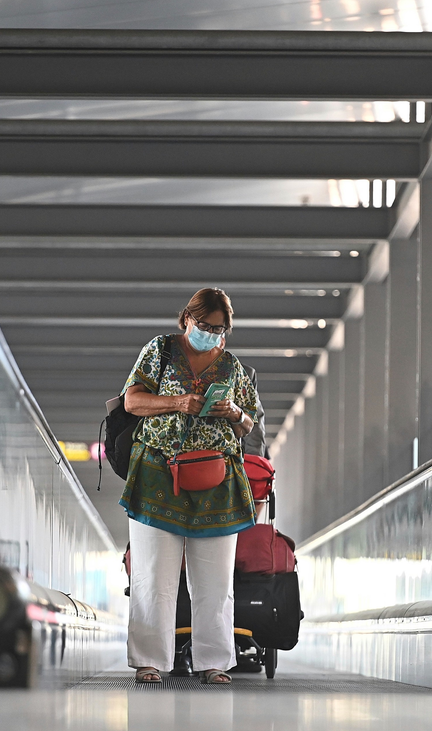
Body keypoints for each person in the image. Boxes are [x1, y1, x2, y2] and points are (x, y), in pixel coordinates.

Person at [120, 288, 259, 685]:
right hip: (157, 474)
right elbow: (132, 401)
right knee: (152, 575)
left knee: (216, 581)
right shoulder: (160, 350)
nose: (211, 334)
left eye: (219, 329)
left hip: (217, 481)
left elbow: (249, 423)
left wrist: (234, 412)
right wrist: (178, 402)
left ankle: (214, 662)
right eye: (205, 325)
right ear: (186, 319)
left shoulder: (232, 366)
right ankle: (150, 661)